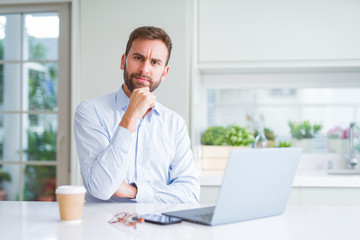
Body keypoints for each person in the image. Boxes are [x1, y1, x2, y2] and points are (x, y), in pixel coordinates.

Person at [74, 26, 200, 203]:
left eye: (155, 62)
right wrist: (131, 116)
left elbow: (190, 194)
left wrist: (134, 191)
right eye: (138, 58)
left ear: (164, 73)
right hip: (103, 226)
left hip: (158, 228)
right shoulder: (90, 112)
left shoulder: (175, 123)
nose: (144, 69)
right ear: (123, 61)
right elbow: (101, 188)